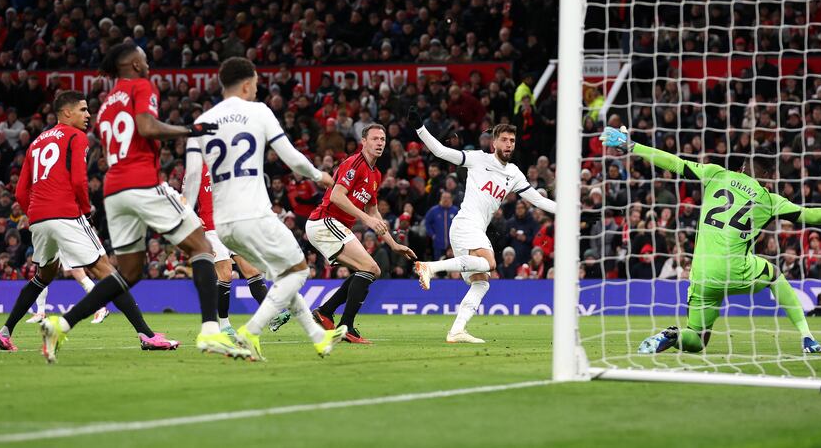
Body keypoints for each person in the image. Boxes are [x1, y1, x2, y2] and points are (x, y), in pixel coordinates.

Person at [38, 42, 248, 362]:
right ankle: (211, 332)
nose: (148, 63)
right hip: (142, 182)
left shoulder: (108, 102)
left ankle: (62, 324)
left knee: (128, 273)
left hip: (114, 191)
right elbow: (146, 127)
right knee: (202, 247)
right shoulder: (141, 85)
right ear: (134, 64)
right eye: (145, 59)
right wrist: (190, 130)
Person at [598, 126, 821, 355]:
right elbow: (810, 216)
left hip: (701, 274)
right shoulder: (770, 199)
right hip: (735, 270)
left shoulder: (717, 174)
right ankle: (807, 337)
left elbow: (674, 162)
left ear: (741, 168)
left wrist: (631, 145)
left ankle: (670, 336)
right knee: (774, 275)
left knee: (697, 338)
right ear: (770, 178)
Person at [182, 57, 344, 361]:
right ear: (246, 84)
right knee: (299, 270)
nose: (257, 90)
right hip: (253, 214)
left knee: (284, 273)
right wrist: (318, 175)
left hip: (223, 226)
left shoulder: (201, 123)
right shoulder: (258, 111)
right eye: (256, 84)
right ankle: (250, 332)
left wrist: (181, 221)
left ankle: (317, 336)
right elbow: (291, 157)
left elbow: (191, 180)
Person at [0, 91, 176, 353]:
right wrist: (85, 210)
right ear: (67, 113)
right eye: (82, 109)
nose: (88, 115)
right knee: (108, 272)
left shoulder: (36, 143)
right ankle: (147, 335)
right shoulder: (76, 137)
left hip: (39, 218)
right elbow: (79, 180)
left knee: (42, 277)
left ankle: (4, 333)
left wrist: (35, 215)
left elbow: (21, 191)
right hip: (66, 213)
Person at [411, 113, 556, 343]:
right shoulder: (478, 159)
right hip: (465, 223)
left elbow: (538, 201)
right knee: (490, 263)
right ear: (494, 143)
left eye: (512, 141)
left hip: (475, 229)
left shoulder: (514, 173)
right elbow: (440, 151)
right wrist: (420, 128)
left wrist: (568, 211)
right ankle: (430, 267)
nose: (509, 144)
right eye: (505, 139)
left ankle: (457, 330)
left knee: (481, 282)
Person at [305, 123, 416, 344]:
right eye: (375, 139)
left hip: (332, 225)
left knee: (367, 270)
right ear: (363, 142)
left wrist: (393, 244)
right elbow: (337, 196)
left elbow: (373, 210)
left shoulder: (375, 173)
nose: (379, 143)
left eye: (383, 140)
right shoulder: (354, 164)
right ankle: (345, 327)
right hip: (324, 221)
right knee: (371, 268)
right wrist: (366, 220)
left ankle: (325, 312)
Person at [180, 160, 273, 335]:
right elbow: (184, 197)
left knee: (252, 270)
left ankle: (270, 315)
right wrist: (191, 216)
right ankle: (224, 324)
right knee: (226, 274)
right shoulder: (195, 166)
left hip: (232, 226)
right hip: (211, 229)